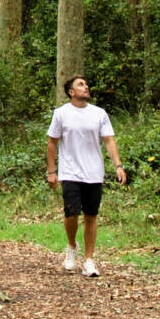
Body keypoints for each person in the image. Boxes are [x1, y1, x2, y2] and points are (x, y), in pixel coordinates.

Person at [46, 75, 125, 277]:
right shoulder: (61, 113)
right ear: (71, 92)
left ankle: (89, 260)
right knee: (71, 213)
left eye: (86, 84)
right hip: (70, 171)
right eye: (80, 85)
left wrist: (118, 165)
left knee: (91, 216)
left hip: (94, 172)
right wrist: (52, 171)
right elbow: (52, 142)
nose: (86, 87)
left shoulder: (99, 113)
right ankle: (72, 247)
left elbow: (109, 140)